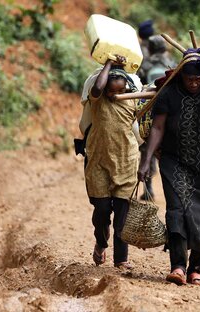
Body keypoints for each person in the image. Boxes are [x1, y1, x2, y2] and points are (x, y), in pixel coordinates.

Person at [138, 48, 200, 286]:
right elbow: (158, 128)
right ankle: (178, 266)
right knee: (176, 211)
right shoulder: (168, 93)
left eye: (198, 79)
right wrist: (146, 160)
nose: (193, 83)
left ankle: (196, 268)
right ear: (180, 75)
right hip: (173, 162)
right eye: (189, 78)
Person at [86, 55, 139, 270]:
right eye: (112, 91)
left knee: (122, 215)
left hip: (126, 161)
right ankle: (100, 242)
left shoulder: (133, 100)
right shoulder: (97, 100)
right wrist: (109, 64)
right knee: (101, 210)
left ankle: (121, 259)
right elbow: (98, 88)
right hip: (99, 160)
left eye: (120, 91)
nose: (116, 95)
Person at [136, 35, 177, 200]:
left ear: (150, 48)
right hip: (172, 112)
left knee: (148, 149)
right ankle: (173, 191)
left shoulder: (145, 64)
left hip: (149, 112)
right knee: (171, 150)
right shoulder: (173, 63)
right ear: (164, 48)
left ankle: (148, 188)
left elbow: (138, 87)